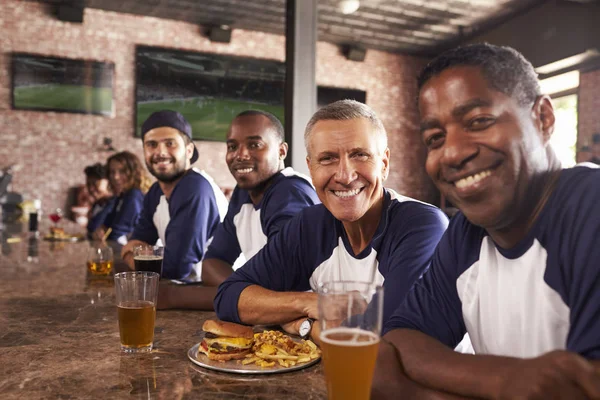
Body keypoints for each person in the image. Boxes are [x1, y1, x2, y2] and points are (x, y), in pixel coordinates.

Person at [372, 43, 600, 400]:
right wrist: (505, 379)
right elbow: (402, 337)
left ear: (543, 118)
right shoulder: (467, 233)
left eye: (479, 121)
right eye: (435, 138)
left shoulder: (589, 209)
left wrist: (410, 392)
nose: (452, 152)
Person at [214, 100, 448, 341]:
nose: (345, 176)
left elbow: (381, 338)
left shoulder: (422, 226)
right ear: (310, 168)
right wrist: (310, 303)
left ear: (384, 164)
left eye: (360, 155)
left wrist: (304, 326)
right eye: (327, 159)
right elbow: (229, 297)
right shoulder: (310, 225)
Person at [158, 110, 320, 309]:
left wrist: (173, 296)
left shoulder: (290, 193)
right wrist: (242, 293)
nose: (240, 155)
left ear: (281, 151)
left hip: (307, 328)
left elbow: (280, 291)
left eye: (254, 145)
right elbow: (212, 264)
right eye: (232, 146)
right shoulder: (244, 192)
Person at [120, 110, 228, 281]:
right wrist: (135, 252)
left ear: (189, 151)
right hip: (184, 292)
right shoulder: (156, 191)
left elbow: (175, 268)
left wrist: (128, 256)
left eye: (170, 143)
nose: (160, 152)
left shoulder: (194, 188)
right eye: (151, 144)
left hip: (219, 297)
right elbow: (139, 239)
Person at [96, 151, 150, 244]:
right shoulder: (122, 196)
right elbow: (107, 224)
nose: (115, 177)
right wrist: (101, 229)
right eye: (112, 172)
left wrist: (104, 234)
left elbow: (119, 231)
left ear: (134, 172)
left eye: (122, 171)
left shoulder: (134, 195)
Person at [84, 163, 115, 238]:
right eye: (88, 184)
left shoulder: (114, 205)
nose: (91, 189)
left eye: (95, 184)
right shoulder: (98, 204)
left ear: (108, 182)